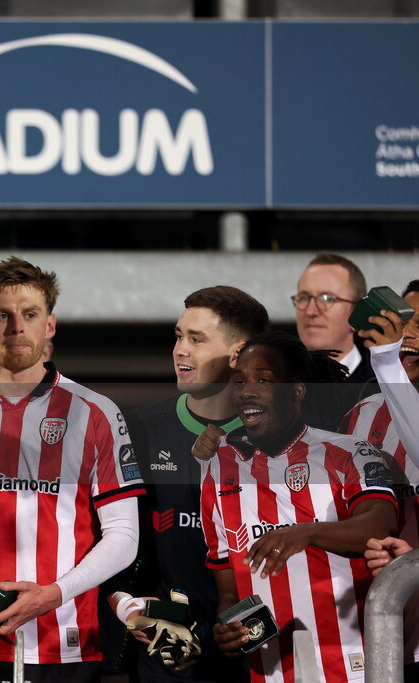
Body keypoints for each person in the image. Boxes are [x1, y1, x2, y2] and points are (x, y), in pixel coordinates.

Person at [0, 256, 143, 683]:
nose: (16, 328)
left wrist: (51, 596)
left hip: (67, 644)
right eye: (1, 315)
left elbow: (124, 536)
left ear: (50, 325)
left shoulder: (96, 412)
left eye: (29, 314)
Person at [200, 331, 397, 683]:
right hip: (271, 669)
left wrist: (306, 533)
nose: (247, 390)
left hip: (355, 662)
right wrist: (228, 629)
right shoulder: (219, 468)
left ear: (297, 390)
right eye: (239, 381)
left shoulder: (351, 451)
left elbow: (380, 525)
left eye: (264, 379)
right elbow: (229, 591)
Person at [119, 285, 267, 683]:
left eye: (196, 339)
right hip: (166, 646)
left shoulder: (278, 438)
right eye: (179, 336)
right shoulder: (138, 428)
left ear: (238, 354)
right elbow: (116, 541)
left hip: (256, 641)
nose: (180, 349)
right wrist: (129, 606)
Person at [342, 280, 419, 679]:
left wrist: (387, 361)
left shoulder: (387, 365)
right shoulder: (363, 414)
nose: (407, 333)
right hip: (385, 638)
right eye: (404, 318)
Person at [293, 253, 374, 386]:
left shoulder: (384, 384)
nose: (310, 311)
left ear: (356, 313)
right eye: (304, 298)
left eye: (327, 299)